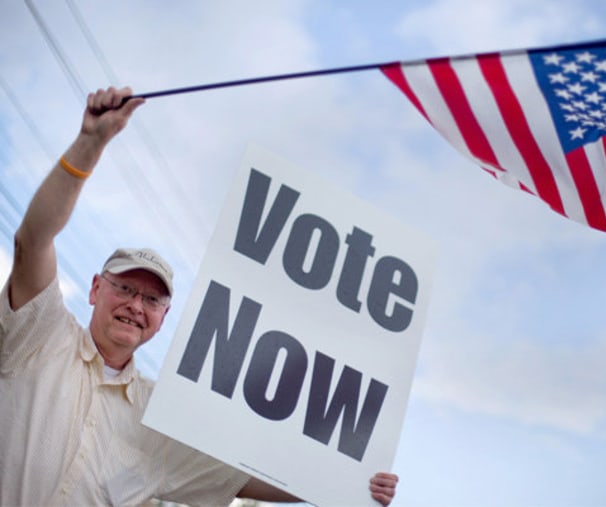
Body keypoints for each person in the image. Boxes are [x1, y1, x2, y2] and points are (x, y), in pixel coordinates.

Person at [0, 86, 399, 506]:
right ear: (96, 289)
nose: (136, 305)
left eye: (152, 300)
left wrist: (356, 482)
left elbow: (248, 478)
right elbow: (34, 239)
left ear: (164, 316)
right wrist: (90, 142)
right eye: (125, 288)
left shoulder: (163, 414)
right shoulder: (40, 337)